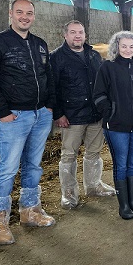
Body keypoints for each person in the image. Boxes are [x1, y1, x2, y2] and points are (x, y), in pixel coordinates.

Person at [0, 0, 56, 245]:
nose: (25, 17)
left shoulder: (40, 44)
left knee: (33, 165)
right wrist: (3, 111)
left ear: (34, 16)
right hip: (14, 116)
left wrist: (50, 106)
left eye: (29, 13)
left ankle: (30, 211)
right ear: (10, 14)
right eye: (19, 12)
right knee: (8, 168)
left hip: (40, 114)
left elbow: (48, 77)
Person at [50, 21, 115, 210]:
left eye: (80, 32)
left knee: (94, 151)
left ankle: (93, 185)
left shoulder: (94, 55)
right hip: (71, 115)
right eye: (73, 33)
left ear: (85, 35)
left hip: (95, 113)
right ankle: (68, 193)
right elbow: (52, 88)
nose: (77, 36)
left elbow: (103, 84)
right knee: (69, 154)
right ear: (65, 35)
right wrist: (59, 113)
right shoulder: (56, 57)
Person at [93, 31, 133, 220]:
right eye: (124, 46)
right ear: (116, 47)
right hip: (116, 125)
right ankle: (123, 205)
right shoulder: (107, 68)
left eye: (131, 46)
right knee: (121, 163)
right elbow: (99, 95)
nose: (127, 50)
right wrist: (110, 113)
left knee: (131, 163)